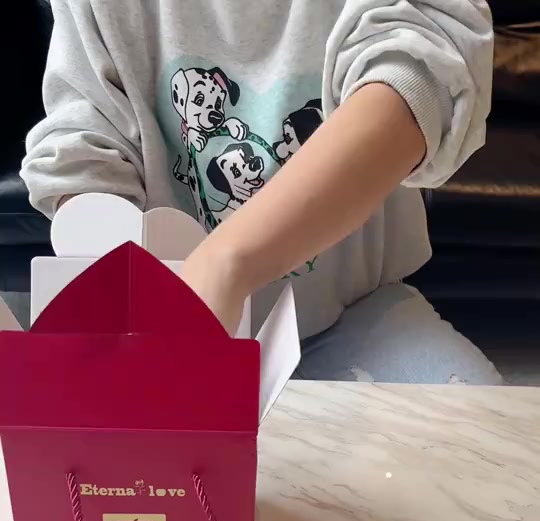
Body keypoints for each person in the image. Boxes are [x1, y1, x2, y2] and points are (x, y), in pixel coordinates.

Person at [22, 0, 502, 384]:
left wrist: (225, 263)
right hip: (159, 342)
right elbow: (85, 139)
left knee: (483, 456)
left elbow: (421, 71)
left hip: (353, 314)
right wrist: (114, 288)